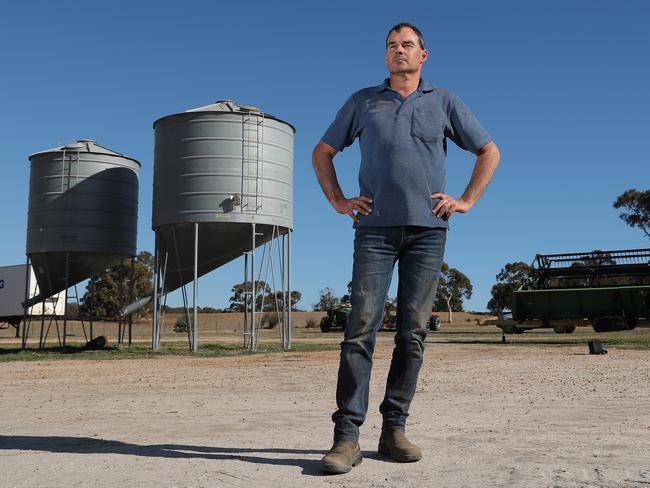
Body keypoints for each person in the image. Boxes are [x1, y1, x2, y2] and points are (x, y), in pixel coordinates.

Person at [312, 22, 500, 474]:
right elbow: (322, 153)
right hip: (373, 231)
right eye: (393, 46)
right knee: (360, 328)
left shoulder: (444, 101)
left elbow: (489, 150)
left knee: (412, 333)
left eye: (408, 45)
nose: (400, 51)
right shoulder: (363, 101)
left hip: (427, 232)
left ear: (423, 56)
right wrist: (339, 201)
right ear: (386, 57)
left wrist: (466, 200)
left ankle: (393, 429)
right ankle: (347, 437)